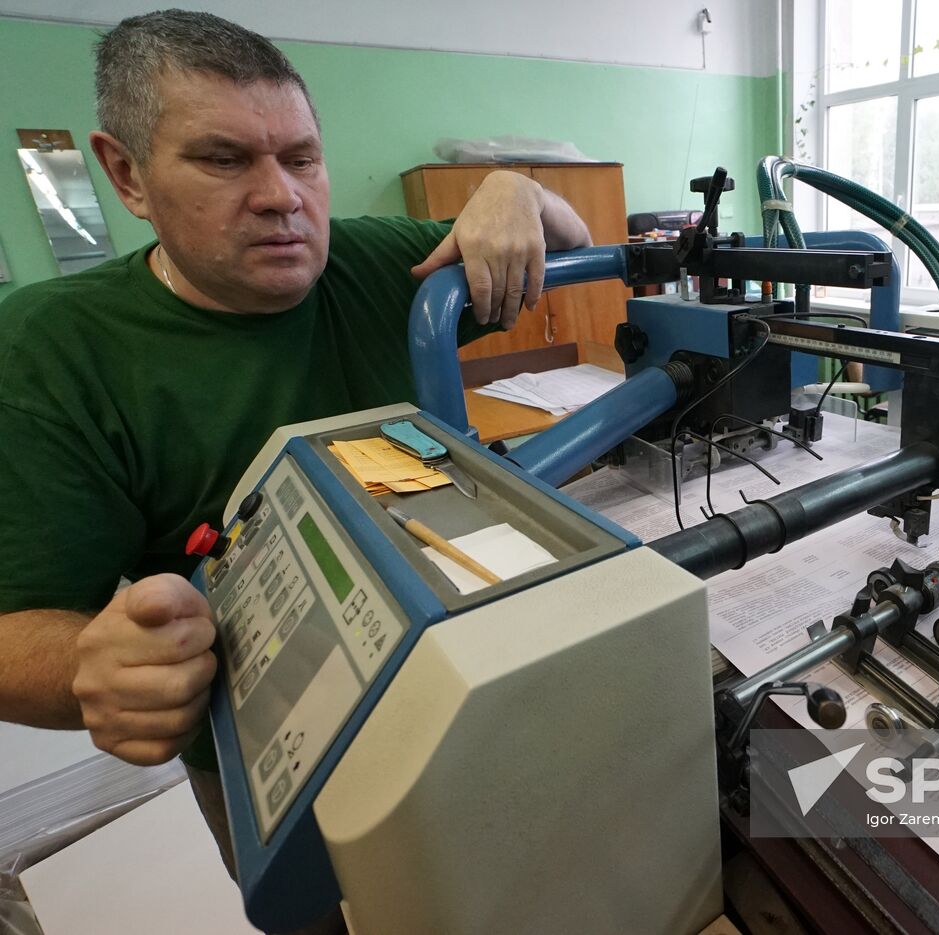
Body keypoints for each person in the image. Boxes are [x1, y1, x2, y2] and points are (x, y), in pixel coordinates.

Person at [0, 9, 590, 910]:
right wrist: (97, 658)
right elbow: (12, 627)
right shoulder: (53, 350)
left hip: (468, 690)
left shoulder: (382, 262)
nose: (282, 196)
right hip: (277, 750)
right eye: (224, 159)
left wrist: (516, 189)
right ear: (126, 174)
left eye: (302, 158)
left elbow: (577, 243)